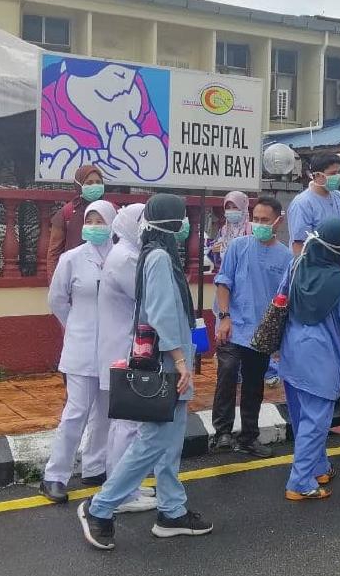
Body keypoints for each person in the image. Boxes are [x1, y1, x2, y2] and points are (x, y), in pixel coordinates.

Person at [79, 194, 213, 549]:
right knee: (154, 441)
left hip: (173, 362)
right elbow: (160, 312)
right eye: (182, 219)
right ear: (171, 223)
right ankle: (101, 507)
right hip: (168, 365)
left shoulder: (159, 255)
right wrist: (182, 361)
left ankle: (172, 511)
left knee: (169, 443)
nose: (186, 226)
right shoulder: (156, 258)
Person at [281, 217, 340, 500]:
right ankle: (300, 483)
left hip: (291, 353)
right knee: (316, 421)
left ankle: (319, 466)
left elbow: (281, 298)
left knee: (301, 418)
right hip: (321, 360)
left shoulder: (296, 265)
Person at [42, 199, 118, 503]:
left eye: (101, 221)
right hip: (80, 345)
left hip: (112, 349)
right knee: (76, 412)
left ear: (112, 224)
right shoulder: (71, 259)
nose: (95, 227)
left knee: (105, 413)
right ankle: (55, 475)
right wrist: (75, 325)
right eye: (91, 221)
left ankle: (94, 466)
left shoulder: (122, 257)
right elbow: (57, 300)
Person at [210, 196, 293, 457]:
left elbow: (286, 298)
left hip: (262, 332)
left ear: (278, 222)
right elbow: (224, 282)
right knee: (228, 372)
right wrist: (224, 317)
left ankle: (248, 437)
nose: (259, 224)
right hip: (233, 325)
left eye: (264, 220)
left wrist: (280, 338)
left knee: (254, 385)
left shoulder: (287, 257)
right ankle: (222, 432)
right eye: (255, 219)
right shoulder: (238, 247)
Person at [96, 202, 158, 513]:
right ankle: (121, 493)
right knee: (126, 422)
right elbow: (149, 296)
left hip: (126, 344)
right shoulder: (125, 259)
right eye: (144, 222)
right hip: (123, 346)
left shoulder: (127, 254)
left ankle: (127, 485)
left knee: (128, 421)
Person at [287, 153, 340, 256]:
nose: (337, 177)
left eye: (338, 172)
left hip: (338, 265)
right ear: (317, 175)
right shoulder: (302, 203)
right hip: (313, 266)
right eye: (333, 173)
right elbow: (299, 245)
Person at [46, 165, 106, 276]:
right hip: (73, 276)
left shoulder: (111, 211)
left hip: (104, 278)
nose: (95, 186)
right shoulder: (66, 213)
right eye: (89, 183)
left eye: (98, 182)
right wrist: (55, 284)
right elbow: (53, 254)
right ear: (79, 185)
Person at [208, 191, 251, 270]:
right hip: (226, 275)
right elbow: (214, 252)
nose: (231, 210)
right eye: (228, 208)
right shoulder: (224, 230)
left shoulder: (250, 229)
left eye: (235, 207)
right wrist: (215, 250)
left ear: (243, 208)